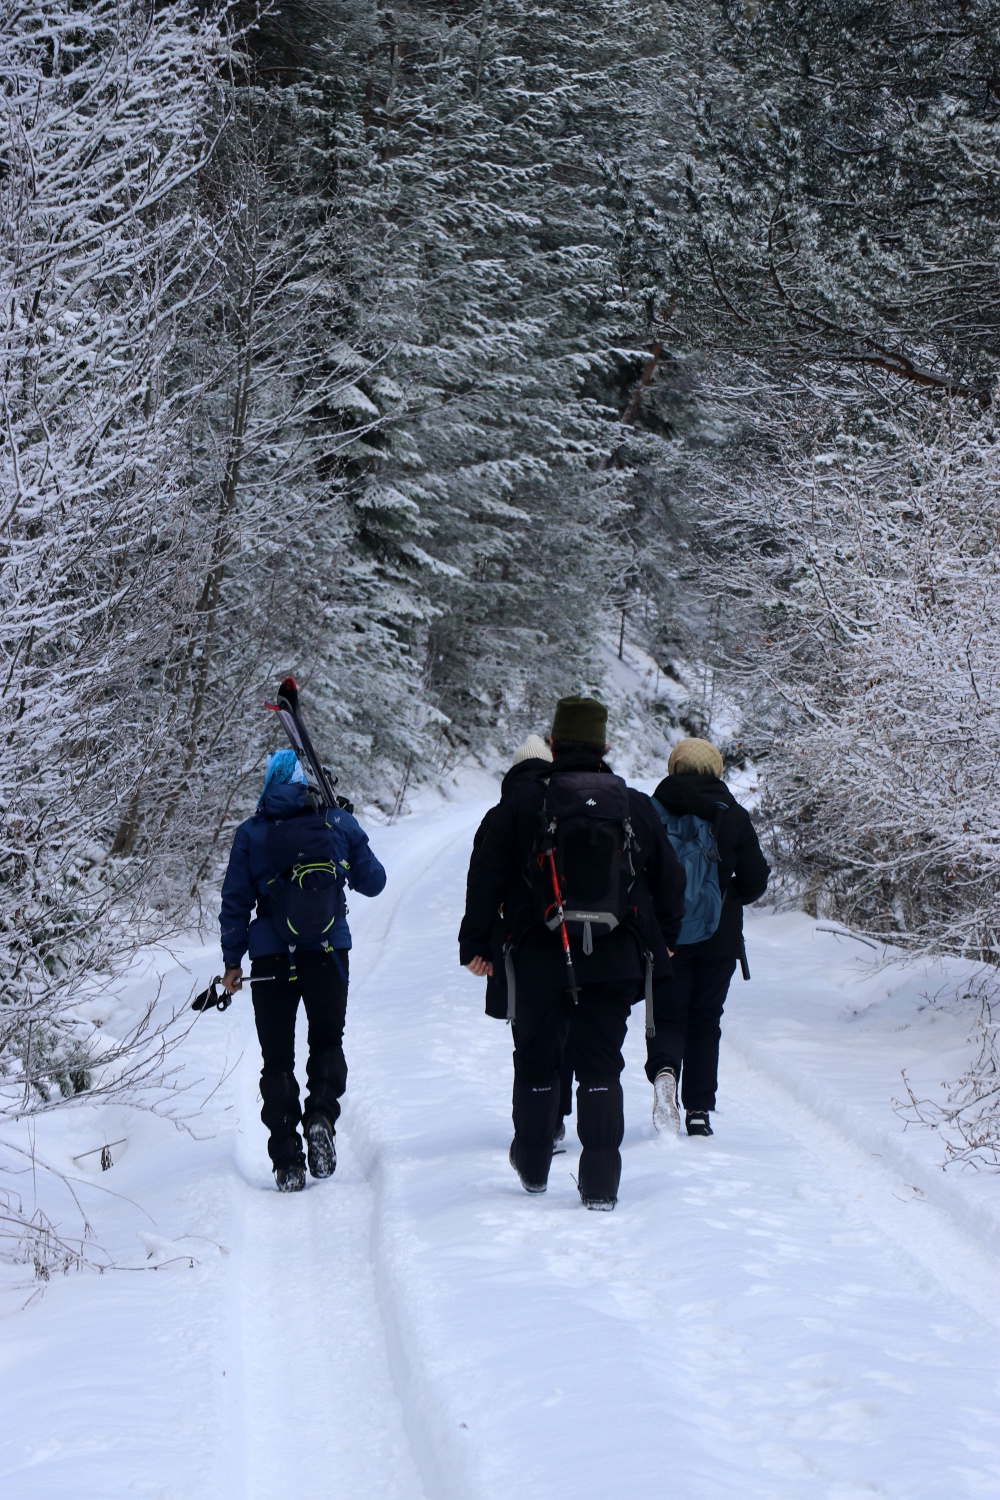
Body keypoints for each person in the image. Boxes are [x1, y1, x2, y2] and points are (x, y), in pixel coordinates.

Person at [459, 697, 686, 1210]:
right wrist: (664, 937)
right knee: (601, 1067)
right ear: (605, 747)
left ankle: (535, 1165)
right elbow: (672, 881)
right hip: (613, 960)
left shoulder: (519, 804)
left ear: (554, 744)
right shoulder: (633, 804)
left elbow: (485, 877)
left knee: (537, 1061)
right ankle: (602, 1184)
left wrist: (475, 944)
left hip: (538, 956)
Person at [219, 748, 386, 1191]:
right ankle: (321, 1118)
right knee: (327, 1041)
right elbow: (375, 882)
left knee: (277, 1058)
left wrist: (232, 962)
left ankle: (287, 1161)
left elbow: (234, 902)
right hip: (328, 952)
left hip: (271, 959)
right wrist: (349, 835)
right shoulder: (334, 822)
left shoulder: (251, 833)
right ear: (304, 783)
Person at [645, 737, 770, 1137]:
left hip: (668, 933)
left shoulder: (652, 809)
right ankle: (699, 1110)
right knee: (705, 1020)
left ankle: (665, 1071)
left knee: (669, 1015)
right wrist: (726, 896)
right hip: (719, 937)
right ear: (715, 769)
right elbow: (756, 879)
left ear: (674, 766)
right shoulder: (732, 815)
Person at [471, 736, 574, 1142]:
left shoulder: (499, 814)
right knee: (566, 1027)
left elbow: (481, 883)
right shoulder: (568, 806)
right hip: (571, 935)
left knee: (529, 1036)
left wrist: (477, 942)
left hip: (518, 942)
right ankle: (559, 1115)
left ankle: (535, 1123)